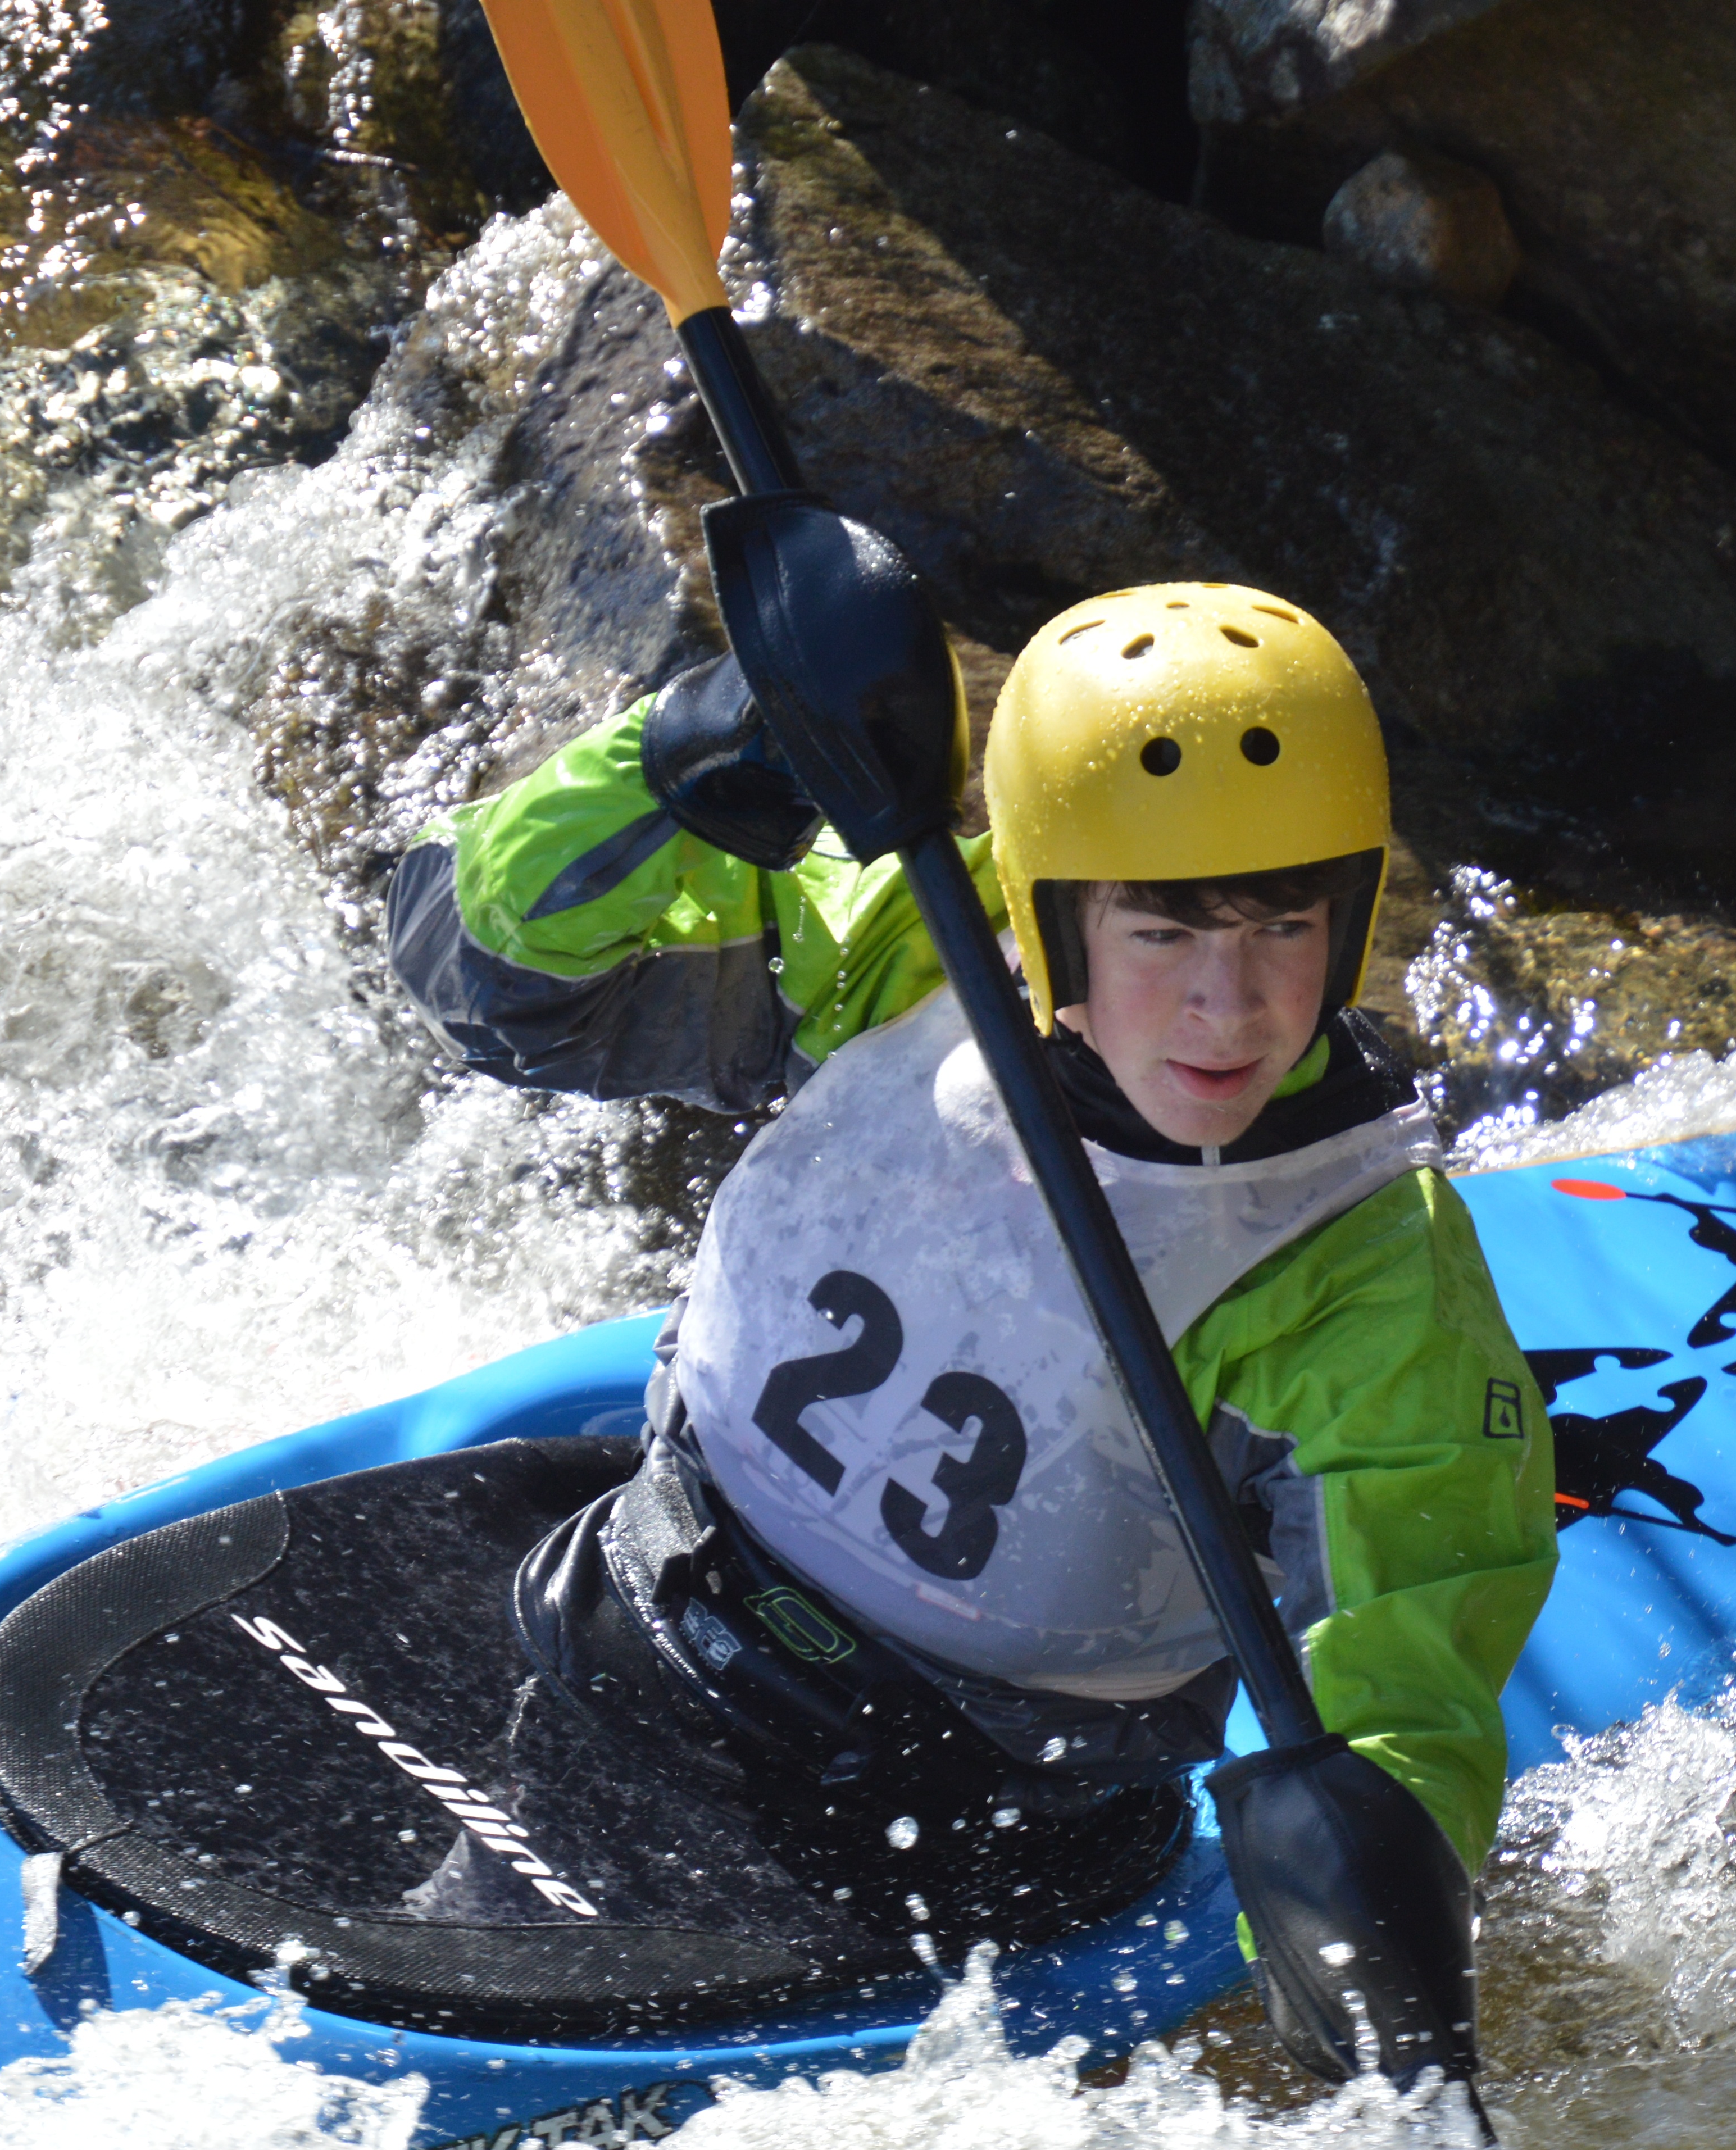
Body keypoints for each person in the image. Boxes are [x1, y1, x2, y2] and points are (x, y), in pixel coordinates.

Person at [387, 581, 1556, 2063]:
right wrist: (684, 757)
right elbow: (474, 972)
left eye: (1284, 924)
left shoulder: (1371, 1295)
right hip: (625, 1623)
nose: (1233, 1007)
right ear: (1051, 912)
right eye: (1163, 931)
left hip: (960, 1844)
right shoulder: (908, 946)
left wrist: (1372, 1932)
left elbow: (1402, 1684)